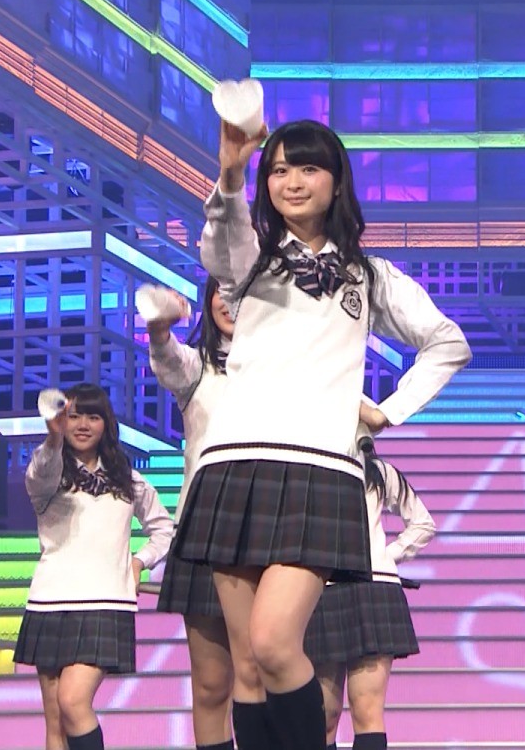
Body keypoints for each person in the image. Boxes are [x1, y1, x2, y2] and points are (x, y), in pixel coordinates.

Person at [172, 117, 470, 750]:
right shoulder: (253, 257)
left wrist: (389, 410)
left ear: (337, 182)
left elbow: (447, 342)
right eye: (279, 169)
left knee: (275, 643)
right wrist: (230, 173)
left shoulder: (370, 275)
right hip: (233, 466)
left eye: (308, 168)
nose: (292, 181)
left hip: (321, 470)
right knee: (246, 665)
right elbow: (218, 247)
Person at [15, 383, 174, 750]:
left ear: (106, 423)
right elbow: (40, 470)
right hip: (50, 602)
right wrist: (53, 438)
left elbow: (163, 527)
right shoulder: (49, 472)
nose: (83, 424)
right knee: (55, 721)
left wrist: (140, 561)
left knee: (73, 701)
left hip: (106, 603)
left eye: (93, 416)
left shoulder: (127, 478)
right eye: (74, 416)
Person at [148, 278, 238, 750]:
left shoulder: (284, 367)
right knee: (211, 684)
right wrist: (160, 330)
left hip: (271, 528)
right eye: (220, 290)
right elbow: (170, 360)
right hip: (203, 528)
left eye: (239, 289)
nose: (229, 301)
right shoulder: (198, 366)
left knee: (265, 671)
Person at [307, 424, 435, 750]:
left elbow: (423, 523)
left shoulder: (380, 473)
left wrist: (386, 556)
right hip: (323, 589)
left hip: (373, 589)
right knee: (322, 716)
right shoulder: (309, 470)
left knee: (367, 711)